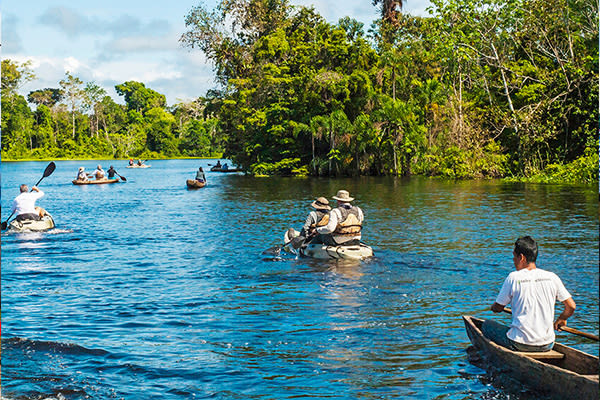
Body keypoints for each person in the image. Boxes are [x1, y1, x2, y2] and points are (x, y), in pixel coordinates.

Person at [482, 236, 576, 352]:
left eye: (514, 256)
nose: (513, 260)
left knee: (486, 325)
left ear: (521, 257)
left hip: (520, 343)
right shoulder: (552, 277)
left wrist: (494, 307)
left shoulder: (513, 277)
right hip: (547, 344)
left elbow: (498, 308)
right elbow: (571, 306)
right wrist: (562, 318)